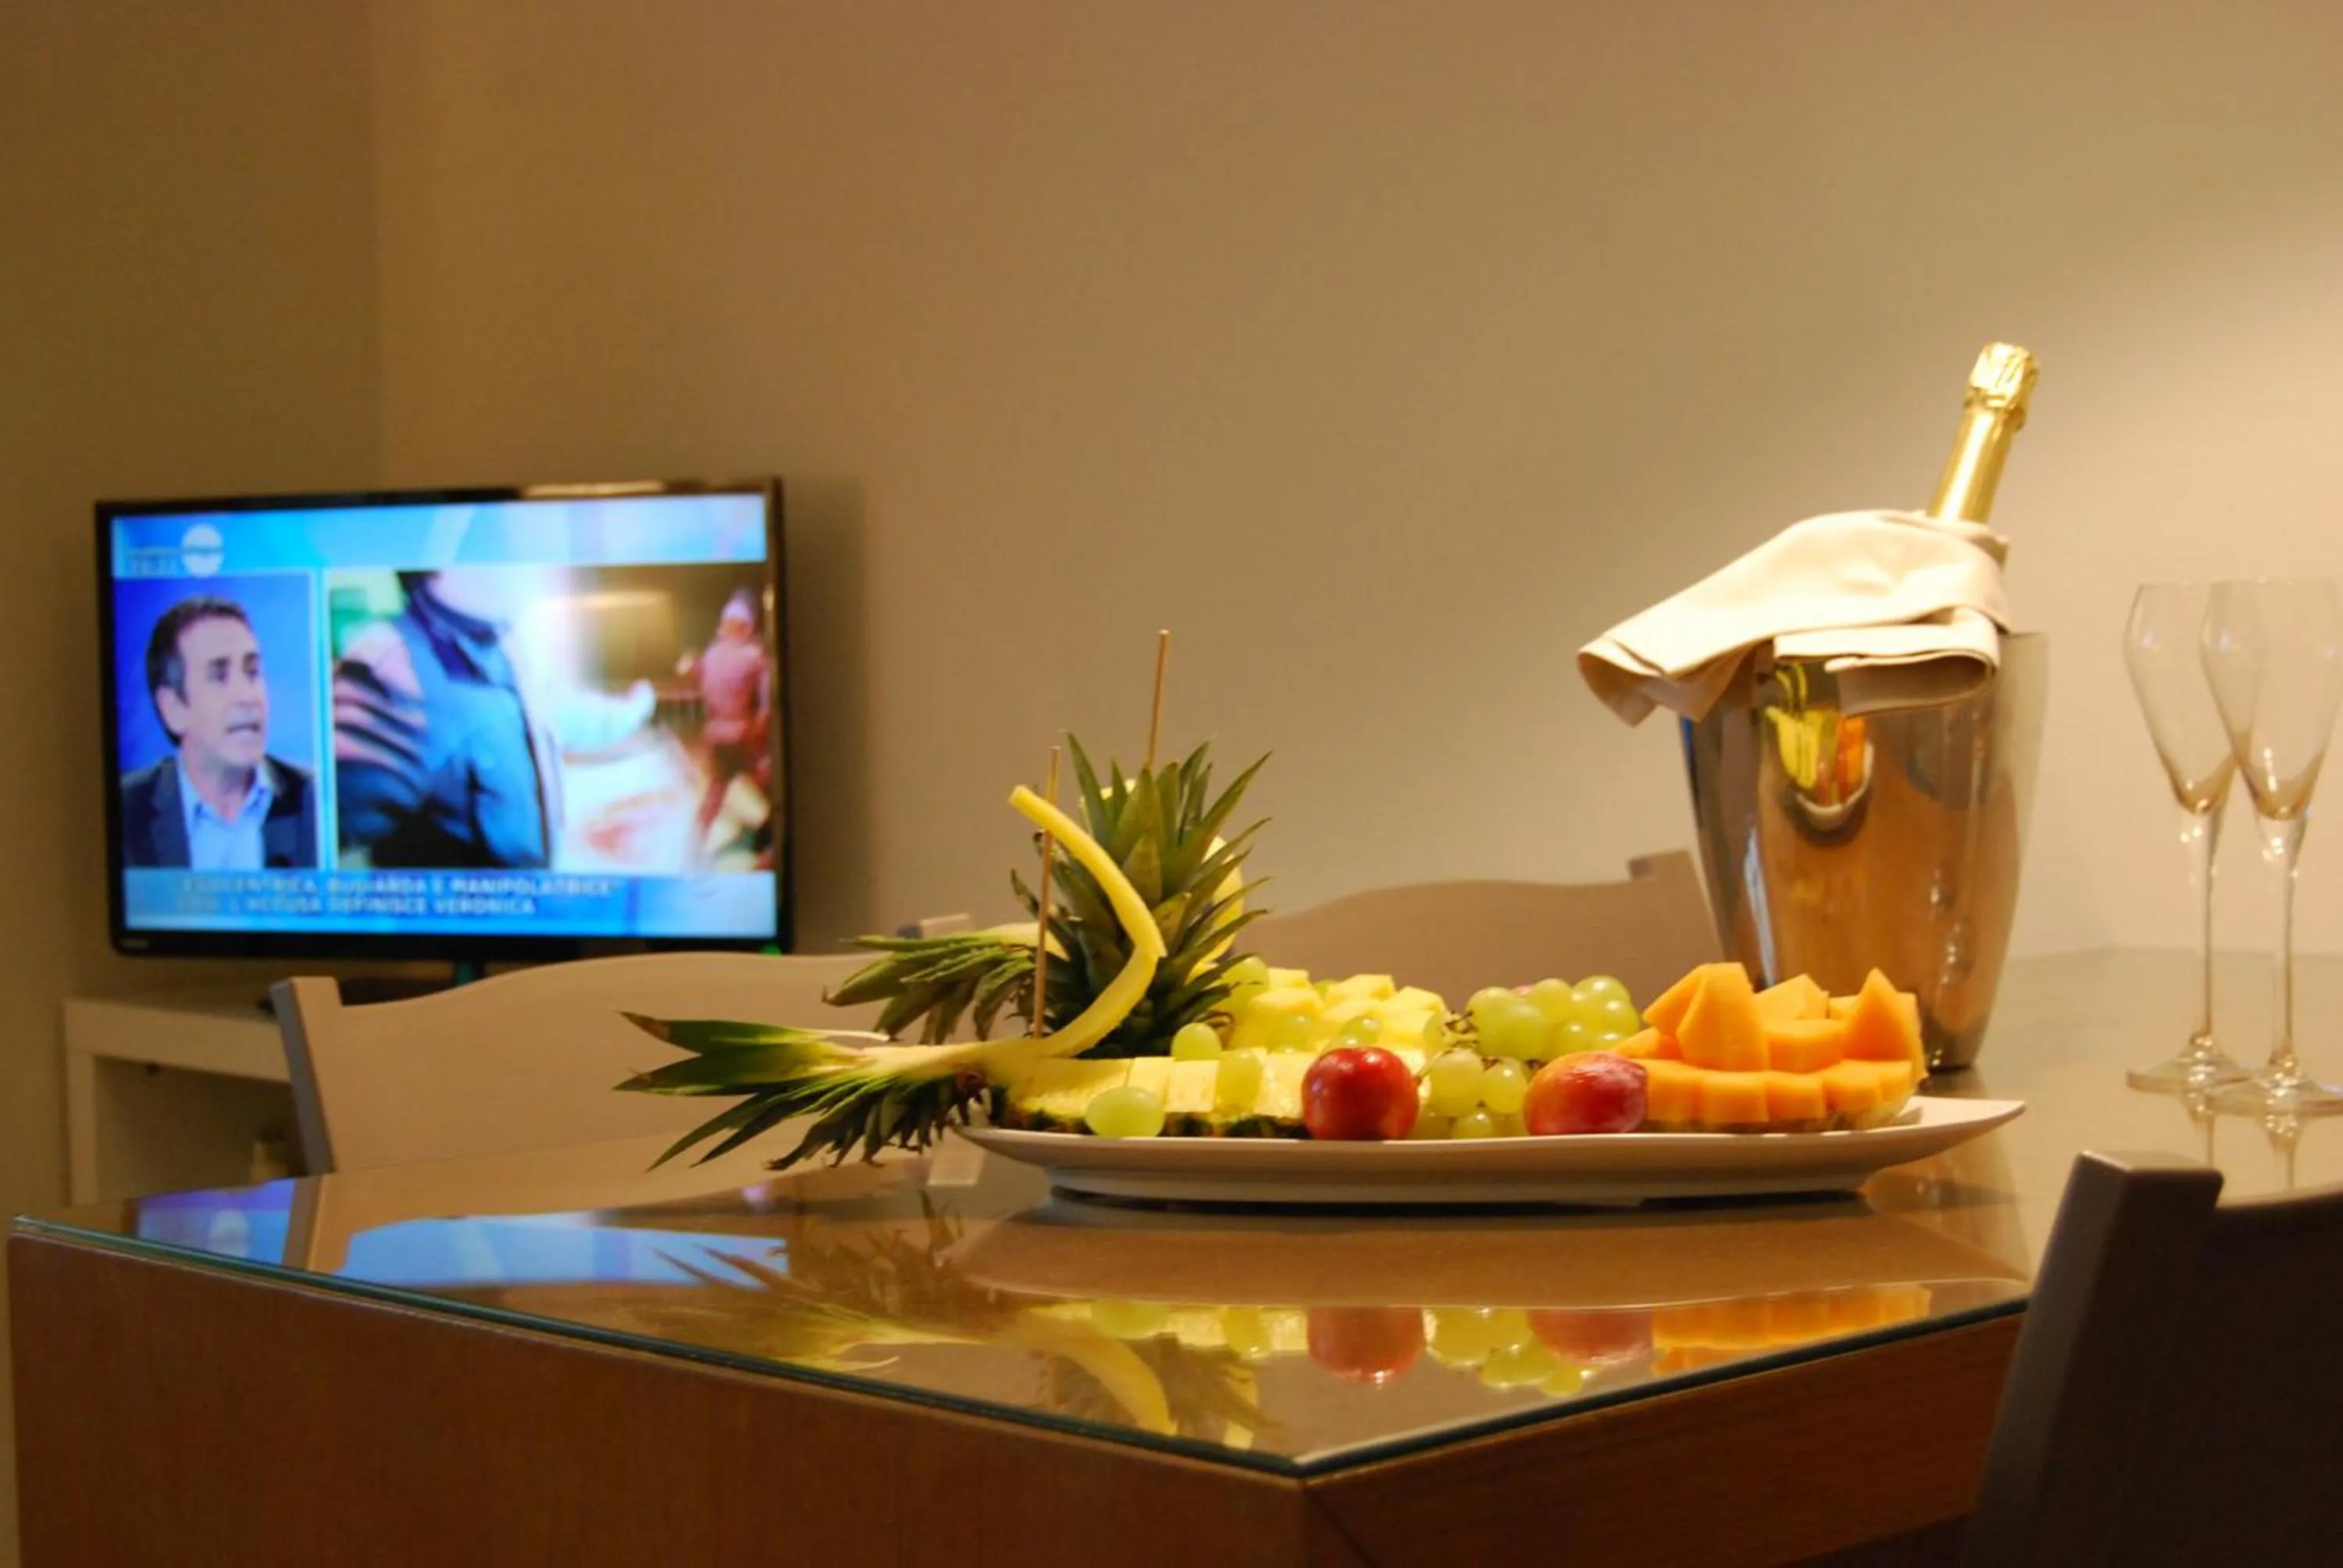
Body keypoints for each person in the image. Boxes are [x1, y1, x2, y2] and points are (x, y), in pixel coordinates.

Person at [333, 568, 653, 868]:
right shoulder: (393, 673)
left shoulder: (500, 646)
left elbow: (557, 714)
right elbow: (314, 839)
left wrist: (636, 709)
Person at [119, 596, 318, 870]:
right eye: (219, 677)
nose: (247, 696)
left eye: (253, 672)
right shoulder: (125, 810)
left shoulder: (315, 801)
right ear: (173, 708)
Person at [690, 589, 772, 846]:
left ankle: (694, 844)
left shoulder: (710, 655)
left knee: (715, 791)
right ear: (747, 625)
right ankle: (770, 839)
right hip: (743, 735)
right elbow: (766, 705)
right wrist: (758, 734)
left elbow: (701, 685)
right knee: (769, 782)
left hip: (716, 735)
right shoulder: (755, 657)